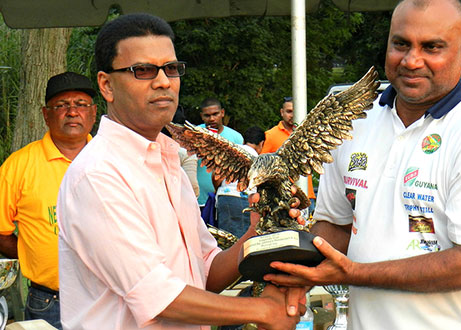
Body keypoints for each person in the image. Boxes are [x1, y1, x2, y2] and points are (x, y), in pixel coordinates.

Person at [264, 1, 461, 329]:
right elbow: (336, 229)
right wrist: (288, 245)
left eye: (432, 47)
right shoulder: (354, 125)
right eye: (401, 44)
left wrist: (355, 274)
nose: (412, 61)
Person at [56, 13, 301, 329]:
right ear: (107, 85)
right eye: (142, 70)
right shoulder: (98, 175)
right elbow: (158, 297)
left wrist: (259, 233)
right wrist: (263, 311)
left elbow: (206, 273)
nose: (162, 81)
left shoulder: (168, 160)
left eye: (171, 69)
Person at [0, 72, 97, 328]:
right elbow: (0, 231)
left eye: (81, 104)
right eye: (62, 105)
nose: (73, 112)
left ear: (94, 112)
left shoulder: (112, 160)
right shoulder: (19, 165)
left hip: (110, 296)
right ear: (46, 114)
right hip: (50, 302)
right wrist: (31, 251)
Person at [262, 97, 316, 213]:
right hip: (284, 197)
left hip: (308, 195)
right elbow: (262, 168)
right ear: (282, 112)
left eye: (296, 111)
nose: (292, 115)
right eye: (289, 111)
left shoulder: (306, 135)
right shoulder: (270, 136)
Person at [214, 126, 265, 238]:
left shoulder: (231, 151)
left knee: (226, 241)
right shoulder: (259, 160)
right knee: (243, 243)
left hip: (226, 198)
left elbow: (216, 177)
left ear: (244, 141)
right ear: (261, 143)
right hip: (247, 201)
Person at [196, 98, 243, 208]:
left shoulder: (236, 138)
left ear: (222, 113)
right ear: (201, 116)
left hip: (227, 198)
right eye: (207, 115)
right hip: (198, 200)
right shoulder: (195, 134)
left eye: (215, 114)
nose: (212, 119)